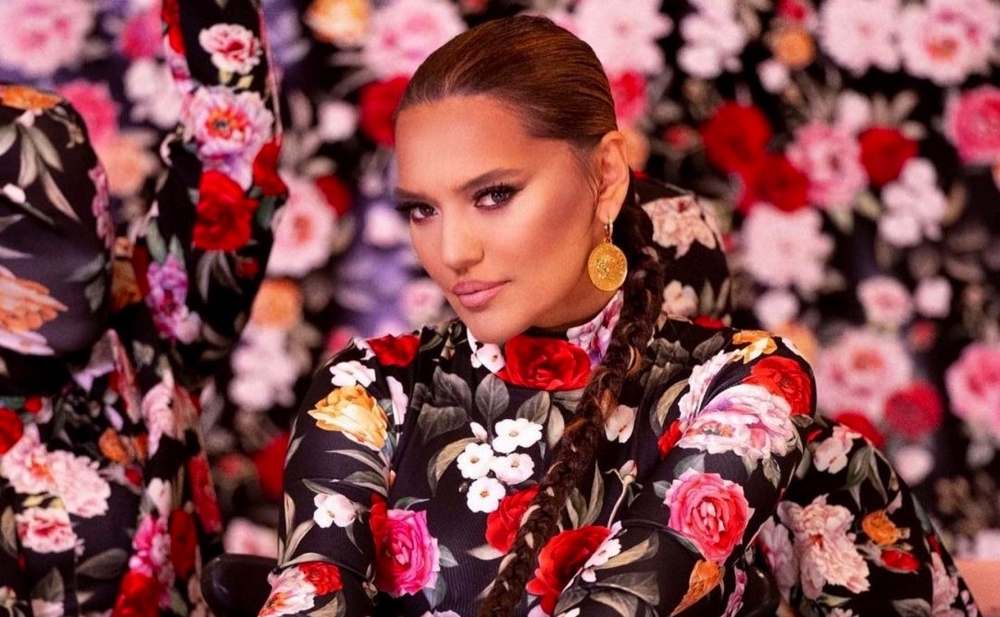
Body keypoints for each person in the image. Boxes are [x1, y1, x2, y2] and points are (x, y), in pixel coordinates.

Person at [260, 15, 977, 617]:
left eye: (494, 195)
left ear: (604, 175)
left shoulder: (743, 388)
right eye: (422, 209)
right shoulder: (366, 391)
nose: (452, 251)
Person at [0, 0, 285, 613]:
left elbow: (233, 153)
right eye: (25, 235)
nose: (78, 265)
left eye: (86, 207)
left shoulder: (148, 326)